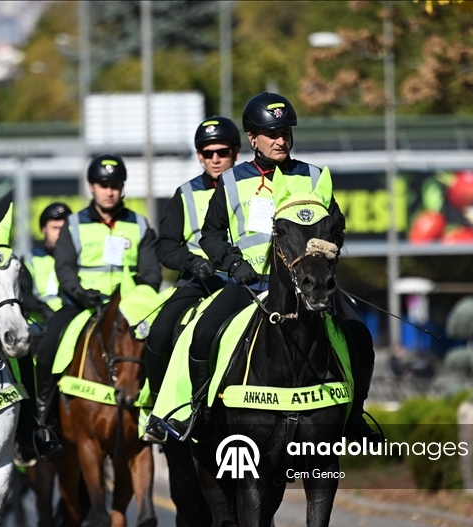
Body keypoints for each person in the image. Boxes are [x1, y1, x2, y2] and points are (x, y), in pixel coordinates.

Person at [163, 92, 376, 441]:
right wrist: (233, 264)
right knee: (202, 335)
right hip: (249, 285)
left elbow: (336, 225)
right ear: (253, 139)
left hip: (306, 286)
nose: (281, 140)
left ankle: (354, 419)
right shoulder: (231, 181)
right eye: (272, 134)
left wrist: (326, 252)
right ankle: (198, 414)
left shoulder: (313, 177)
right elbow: (211, 234)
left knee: (359, 335)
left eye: (285, 132)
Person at [31, 155, 161, 460]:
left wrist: (136, 300)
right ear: (92, 187)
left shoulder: (139, 224)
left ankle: (160, 414)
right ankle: (42, 422)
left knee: (161, 342)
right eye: (103, 185)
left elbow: (151, 274)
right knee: (49, 344)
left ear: (122, 187)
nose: (109, 191)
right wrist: (80, 293)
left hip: (128, 310)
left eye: (115, 185)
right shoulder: (75, 224)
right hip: (83, 305)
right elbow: (64, 267)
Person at [141, 116, 241, 443]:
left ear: (236, 152)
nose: (215, 159)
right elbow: (165, 245)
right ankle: (160, 412)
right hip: (201, 282)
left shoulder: (252, 186)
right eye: (208, 153)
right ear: (199, 156)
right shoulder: (185, 195)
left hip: (247, 281)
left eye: (222, 152)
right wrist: (192, 262)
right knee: (159, 332)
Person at [14, 202, 71, 464]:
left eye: (64, 227)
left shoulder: (77, 256)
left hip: (73, 324)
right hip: (39, 330)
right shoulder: (29, 259)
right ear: (43, 230)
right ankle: (32, 425)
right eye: (55, 227)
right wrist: (43, 309)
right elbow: (22, 294)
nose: (60, 231)